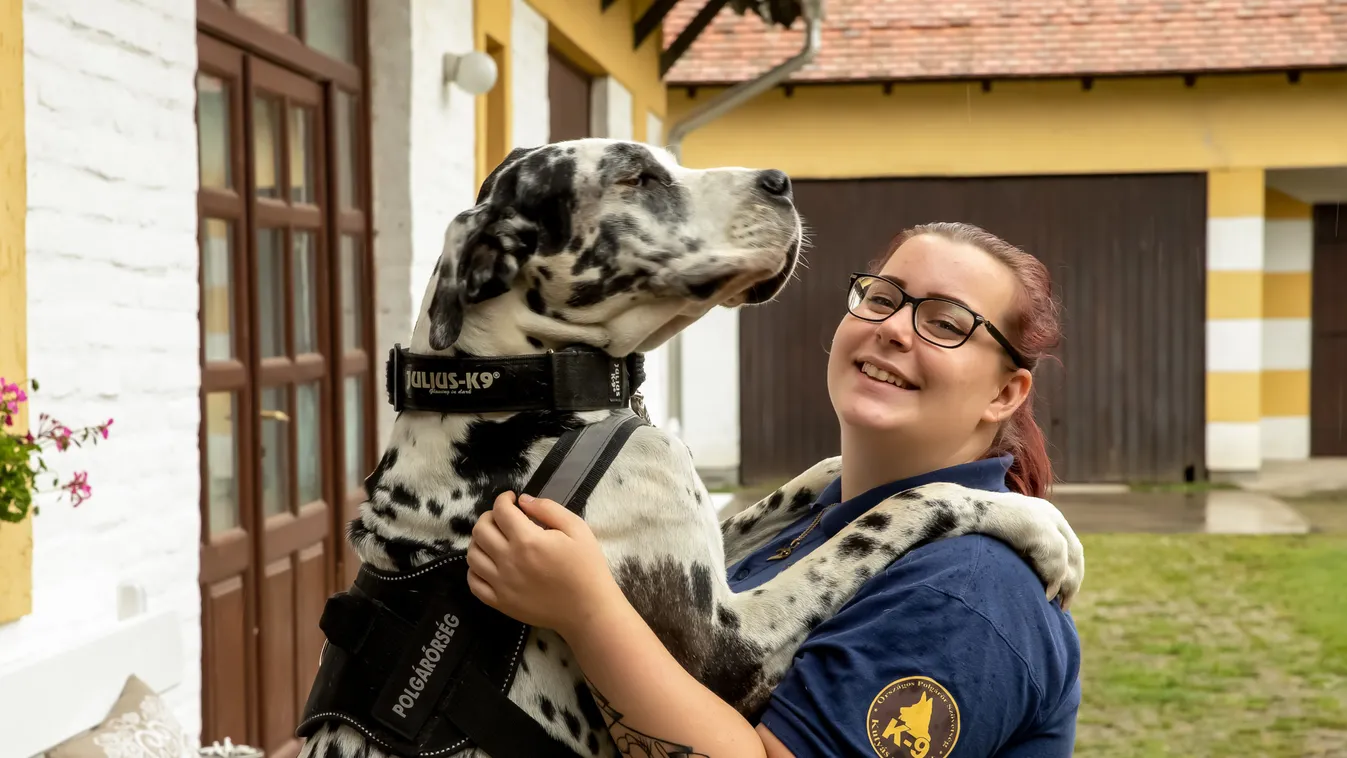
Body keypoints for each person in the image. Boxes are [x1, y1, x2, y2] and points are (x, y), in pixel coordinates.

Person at [466, 222, 1082, 757]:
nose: (895, 329)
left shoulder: (965, 593)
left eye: (946, 323)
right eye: (882, 298)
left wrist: (587, 612)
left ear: (1005, 394)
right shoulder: (815, 515)